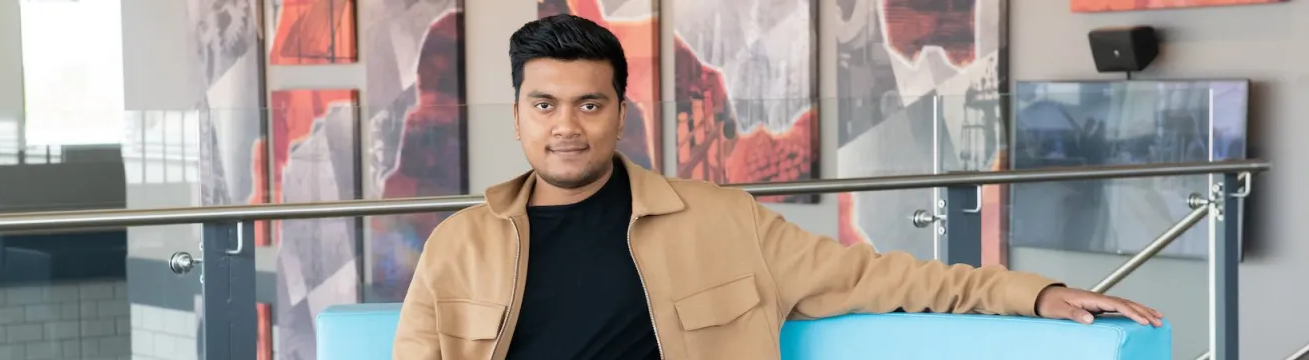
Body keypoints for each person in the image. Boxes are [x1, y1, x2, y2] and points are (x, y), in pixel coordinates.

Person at [392, 14, 1164, 360]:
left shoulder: (724, 222)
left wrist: (1038, 294)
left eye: (589, 104)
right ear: (519, 116)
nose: (568, 126)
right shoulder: (460, 244)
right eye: (545, 105)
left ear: (619, 114)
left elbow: (888, 277)